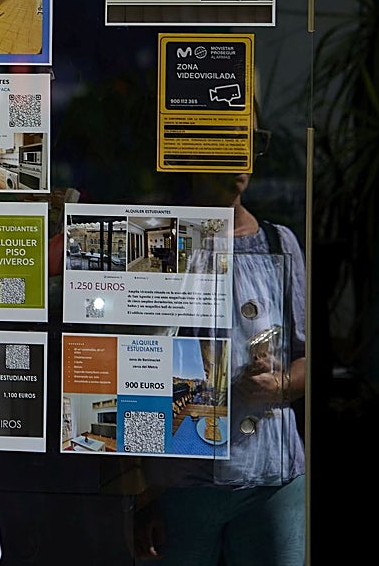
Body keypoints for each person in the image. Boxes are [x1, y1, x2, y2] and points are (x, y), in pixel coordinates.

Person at [130, 165, 307, 566]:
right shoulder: (159, 240)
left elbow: (304, 356)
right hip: (180, 483)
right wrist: (142, 490)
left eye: (244, 144)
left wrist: (277, 385)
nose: (237, 164)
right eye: (224, 144)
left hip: (271, 476)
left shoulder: (279, 242)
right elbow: (137, 364)